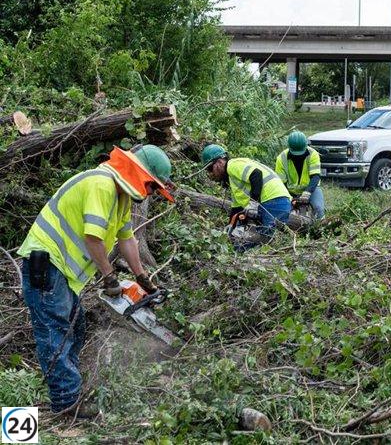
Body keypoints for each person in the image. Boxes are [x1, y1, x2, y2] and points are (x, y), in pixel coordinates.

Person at [17, 145, 174, 418]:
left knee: (76, 329)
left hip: (64, 273)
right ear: (140, 174)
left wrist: (142, 277)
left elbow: (127, 238)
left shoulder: (120, 196)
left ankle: (69, 390)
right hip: (47, 263)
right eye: (151, 187)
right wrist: (109, 277)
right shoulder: (101, 184)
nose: (150, 193)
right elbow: (93, 238)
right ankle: (66, 403)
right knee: (56, 332)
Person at [201, 144, 292, 238]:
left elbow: (256, 174)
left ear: (219, 162)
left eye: (210, 169)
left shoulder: (233, 165)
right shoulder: (233, 180)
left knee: (264, 239)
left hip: (273, 200)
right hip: (276, 200)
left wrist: (253, 203)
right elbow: (237, 209)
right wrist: (230, 226)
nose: (210, 173)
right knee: (256, 240)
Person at [275, 131, 325, 219]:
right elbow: (281, 184)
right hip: (290, 191)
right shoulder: (281, 158)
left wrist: (307, 192)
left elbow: (315, 176)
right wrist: (290, 198)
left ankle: (321, 228)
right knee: (284, 211)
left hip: (311, 188)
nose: (298, 157)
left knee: (318, 208)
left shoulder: (313, 154)